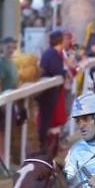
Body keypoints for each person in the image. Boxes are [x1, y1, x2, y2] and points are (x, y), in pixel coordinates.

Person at [37, 30, 69, 158]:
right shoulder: (52, 54)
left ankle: (47, 145)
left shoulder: (51, 53)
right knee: (46, 120)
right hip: (48, 93)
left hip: (50, 92)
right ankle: (44, 146)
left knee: (48, 120)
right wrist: (65, 73)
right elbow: (57, 72)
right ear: (60, 41)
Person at [0, 37, 20, 167]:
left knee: (8, 130)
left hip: (12, 101)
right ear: (3, 47)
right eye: (9, 47)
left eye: (13, 47)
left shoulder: (12, 62)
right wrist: (1, 102)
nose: (11, 50)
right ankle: (1, 160)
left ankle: (6, 158)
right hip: (3, 102)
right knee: (0, 131)